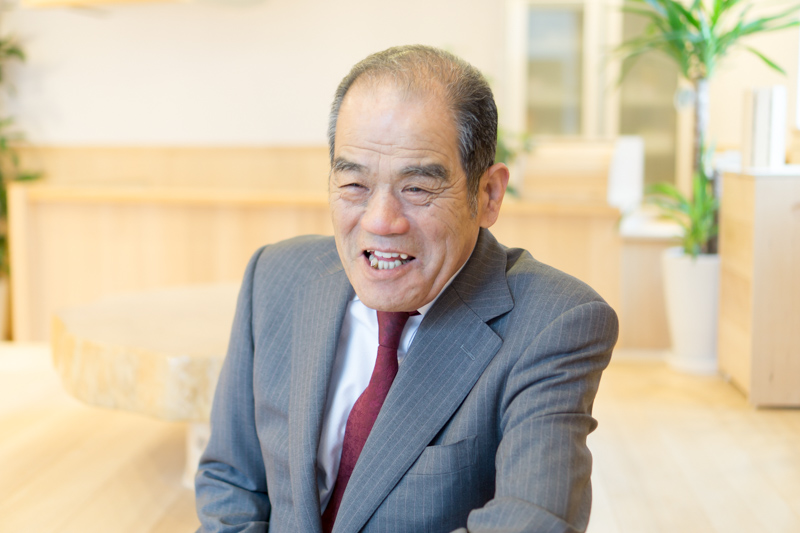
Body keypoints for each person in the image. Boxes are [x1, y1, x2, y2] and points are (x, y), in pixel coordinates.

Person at [195, 45, 618, 533]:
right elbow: (231, 482)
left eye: (416, 188)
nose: (380, 221)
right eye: (354, 185)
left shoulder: (556, 322)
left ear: (488, 195)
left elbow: (532, 523)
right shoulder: (275, 277)